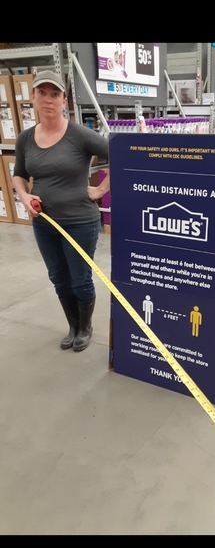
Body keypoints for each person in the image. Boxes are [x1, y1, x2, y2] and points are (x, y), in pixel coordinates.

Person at [12, 70, 110, 352]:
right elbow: (19, 174)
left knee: (80, 279)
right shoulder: (26, 139)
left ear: (64, 101)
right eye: (41, 93)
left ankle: (85, 327)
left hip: (80, 222)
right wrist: (24, 195)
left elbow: (120, 156)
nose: (48, 100)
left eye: (54, 94)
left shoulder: (79, 135)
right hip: (44, 223)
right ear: (32, 97)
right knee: (58, 277)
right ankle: (73, 325)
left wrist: (101, 190)